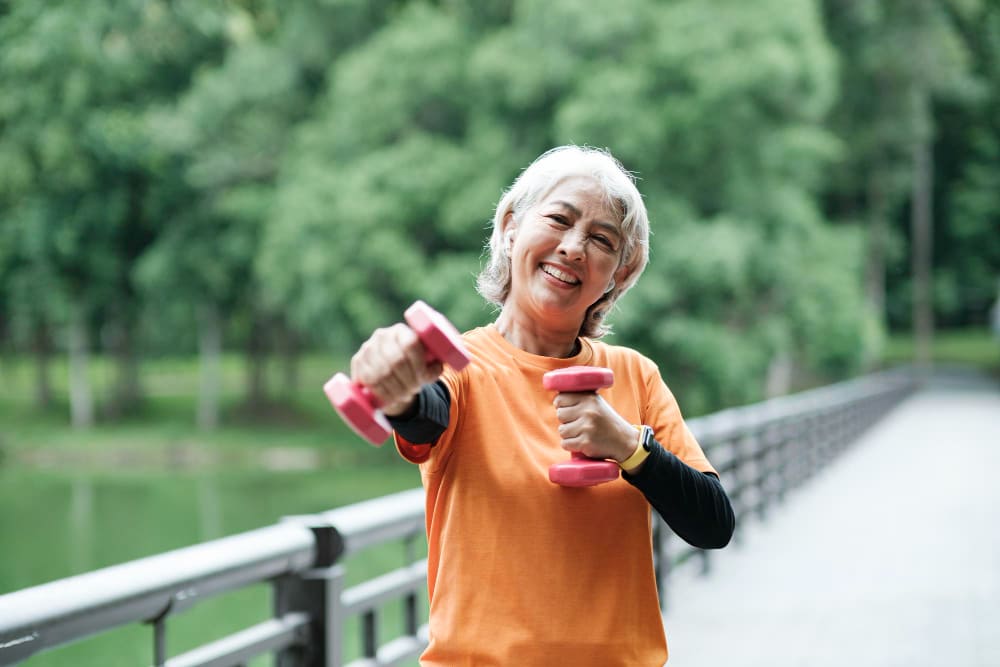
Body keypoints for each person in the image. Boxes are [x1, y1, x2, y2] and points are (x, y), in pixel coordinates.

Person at [348, 145, 735, 665]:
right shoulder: (461, 369)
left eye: (602, 240)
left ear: (618, 275)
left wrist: (627, 446)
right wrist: (398, 393)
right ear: (511, 228)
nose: (574, 247)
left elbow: (713, 524)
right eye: (559, 219)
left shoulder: (636, 376)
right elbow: (425, 415)